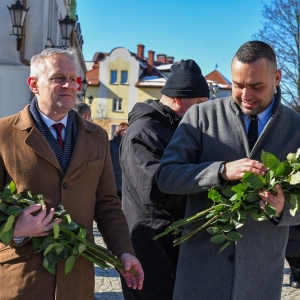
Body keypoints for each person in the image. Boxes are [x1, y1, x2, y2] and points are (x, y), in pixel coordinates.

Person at [156, 41, 300, 300]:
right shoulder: (201, 117)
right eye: (238, 85)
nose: (246, 95)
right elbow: (166, 176)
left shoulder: (296, 127)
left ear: (277, 78)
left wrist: (284, 209)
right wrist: (220, 171)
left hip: (260, 280)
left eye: (256, 86)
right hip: (201, 277)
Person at [0, 47, 143, 300]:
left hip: (76, 281)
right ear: (34, 84)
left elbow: (107, 203)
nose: (68, 85)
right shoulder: (4, 134)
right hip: (21, 280)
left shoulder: (96, 136)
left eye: (73, 79)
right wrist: (17, 229)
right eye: (58, 78)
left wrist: (124, 250)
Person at [120, 59, 209, 300]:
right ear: (178, 98)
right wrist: (212, 182)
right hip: (150, 245)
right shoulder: (144, 131)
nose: (204, 110)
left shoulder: (181, 127)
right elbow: (154, 189)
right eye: (200, 103)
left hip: (174, 242)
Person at [109, 122, 129, 200]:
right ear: (119, 131)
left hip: (126, 183)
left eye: (128, 130)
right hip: (113, 182)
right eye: (123, 130)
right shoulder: (110, 144)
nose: (126, 132)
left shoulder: (131, 144)